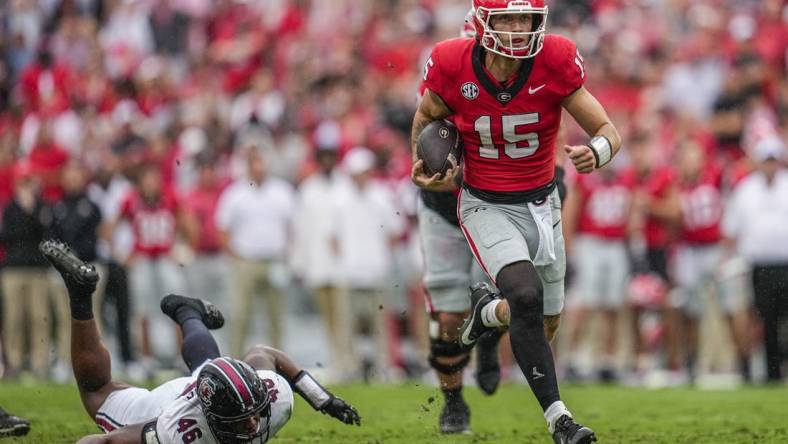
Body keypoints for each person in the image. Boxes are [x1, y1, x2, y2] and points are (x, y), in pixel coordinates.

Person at [411, 1, 621, 442]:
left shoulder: (555, 60)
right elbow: (427, 118)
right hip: (481, 203)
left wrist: (595, 153)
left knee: (542, 322)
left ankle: (489, 314)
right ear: (481, 25)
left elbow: (606, 130)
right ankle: (558, 420)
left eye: (524, 18)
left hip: (541, 204)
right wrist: (422, 165)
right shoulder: (453, 63)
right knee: (520, 296)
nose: (517, 28)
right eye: (506, 18)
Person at [39, 239, 360, 444]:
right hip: (163, 406)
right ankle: (81, 297)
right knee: (97, 393)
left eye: (254, 411)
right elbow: (100, 442)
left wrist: (322, 399)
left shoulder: (275, 400)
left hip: (204, 387)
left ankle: (187, 312)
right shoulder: (178, 431)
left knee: (211, 367)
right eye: (242, 417)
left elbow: (263, 352)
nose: (252, 424)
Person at [722, 136, 788, 382]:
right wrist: (726, 258)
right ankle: (772, 374)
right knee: (766, 318)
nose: (770, 165)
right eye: (766, 160)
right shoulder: (746, 190)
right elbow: (731, 229)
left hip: (785, 263)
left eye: (773, 160)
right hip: (759, 265)